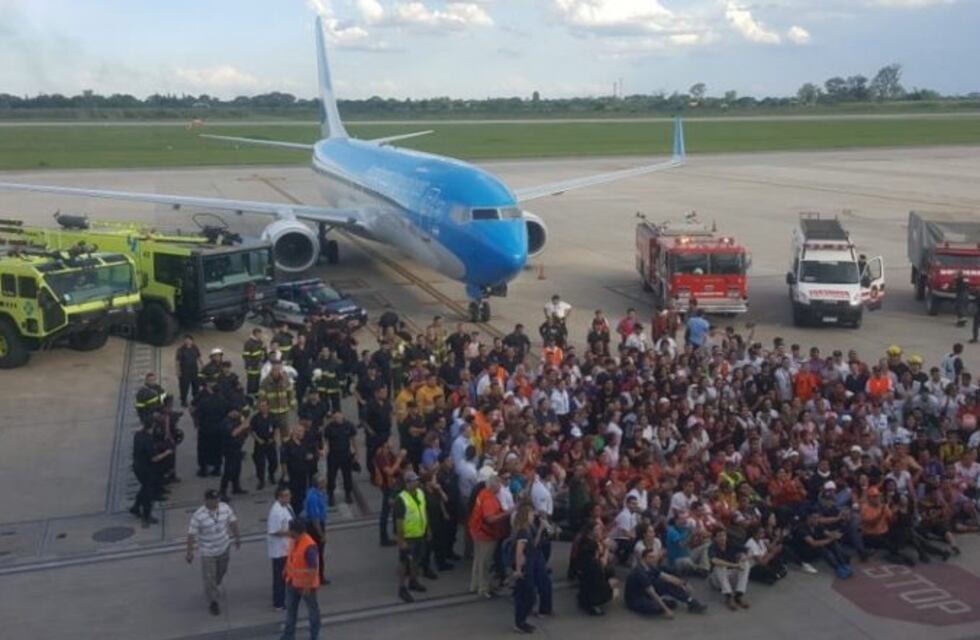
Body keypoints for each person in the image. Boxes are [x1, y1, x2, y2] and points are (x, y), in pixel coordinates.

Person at [186, 489, 241, 616]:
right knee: (209, 577)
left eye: (218, 499)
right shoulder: (198, 515)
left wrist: (237, 537)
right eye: (214, 499)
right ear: (207, 500)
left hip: (223, 547)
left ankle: (213, 586)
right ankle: (213, 602)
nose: (217, 501)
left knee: (221, 571)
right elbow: (191, 535)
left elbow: (233, 522)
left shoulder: (225, 508)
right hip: (207, 551)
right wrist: (189, 552)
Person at [626, 547, 707, 617]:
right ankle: (660, 604)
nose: (654, 559)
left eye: (654, 557)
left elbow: (667, 577)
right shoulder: (640, 572)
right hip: (636, 599)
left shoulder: (650, 566)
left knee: (666, 583)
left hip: (646, 593)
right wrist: (666, 610)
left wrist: (684, 583)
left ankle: (691, 602)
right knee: (655, 608)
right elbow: (652, 592)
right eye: (651, 557)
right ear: (644, 558)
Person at [468, 470, 509, 598]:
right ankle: (484, 588)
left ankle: (474, 585)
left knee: (478, 560)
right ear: (493, 486)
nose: (500, 487)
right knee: (485, 562)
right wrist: (507, 513)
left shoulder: (483, 493)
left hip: (476, 531)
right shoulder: (489, 499)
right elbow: (490, 518)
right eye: (498, 485)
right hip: (486, 534)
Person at [279, 518, 321, 640]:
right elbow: (292, 557)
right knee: (290, 612)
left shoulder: (309, 546)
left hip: (306, 586)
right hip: (292, 582)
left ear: (297, 532)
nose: (289, 532)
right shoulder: (294, 540)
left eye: (290, 530)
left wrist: (307, 586)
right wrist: (286, 569)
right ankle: (288, 636)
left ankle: (314, 636)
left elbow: (313, 568)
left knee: (313, 612)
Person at [395, 471, 432, 602]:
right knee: (404, 562)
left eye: (417, 480)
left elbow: (424, 511)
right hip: (408, 537)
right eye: (415, 480)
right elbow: (399, 522)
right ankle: (402, 587)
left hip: (420, 534)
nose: (417, 482)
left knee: (416, 560)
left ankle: (413, 580)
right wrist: (401, 541)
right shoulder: (401, 499)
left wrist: (428, 529)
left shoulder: (421, 493)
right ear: (408, 483)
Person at [130, 417, 171, 527]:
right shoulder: (148, 440)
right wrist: (167, 453)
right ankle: (146, 516)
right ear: (152, 427)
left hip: (137, 466)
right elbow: (154, 458)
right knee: (148, 493)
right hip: (146, 469)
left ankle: (135, 507)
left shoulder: (138, 435)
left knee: (144, 487)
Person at [708, 529, 751, 611]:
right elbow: (714, 560)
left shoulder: (731, 544)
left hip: (730, 576)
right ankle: (728, 597)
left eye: (724, 535)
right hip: (716, 580)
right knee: (719, 566)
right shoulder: (712, 547)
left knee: (746, 564)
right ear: (715, 538)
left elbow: (748, 550)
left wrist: (744, 557)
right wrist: (735, 565)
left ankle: (739, 595)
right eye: (719, 536)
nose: (722, 538)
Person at [268, 487, 294, 610]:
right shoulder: (276, 512)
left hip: (287, 547)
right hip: (279, 550)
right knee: (279, 577)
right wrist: (291, 533)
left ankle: (287, 597)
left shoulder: (287, 507)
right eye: (286, 495)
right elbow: (274, 531)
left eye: (289, 494)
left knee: (288, 575)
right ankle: (278, 602)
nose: (289, 497)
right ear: (279, 497)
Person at [324, 410, 357, 505]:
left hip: (346, 454)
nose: (337, 419)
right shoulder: (329, 427)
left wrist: (356, 453)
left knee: (347, 475)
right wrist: (325, 451)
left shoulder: (349, 425)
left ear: (343, 416)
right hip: (333, 455)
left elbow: (353, 440)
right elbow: (325, 441)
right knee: (331, 476)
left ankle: (348, 494)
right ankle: (330, 495)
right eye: (335, 418)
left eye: (338, 417)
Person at [303, 475, 330, 585]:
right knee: (318, 553)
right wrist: (321, 534)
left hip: (316, 524)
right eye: (323, 481)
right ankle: (318, 577)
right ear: (318, 484)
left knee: (317, 553)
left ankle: (318, 575)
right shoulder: (313, 497)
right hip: (314, 527)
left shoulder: (317, 493)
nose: (325, 483)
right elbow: (315, 518)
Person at [219, 409, 250, 500]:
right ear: (231, 412)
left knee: (237, 468)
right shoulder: (226, 422)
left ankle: (236, 487)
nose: (238, 414)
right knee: (229, 470)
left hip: (237, 448)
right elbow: (233, 433)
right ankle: (222, 491)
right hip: (229, 449)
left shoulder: (237, 420)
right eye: (236, 412)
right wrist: (243, 426)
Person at [250, 399, 278, 490]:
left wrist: (274, 438)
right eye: (261, 406)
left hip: (270, 442)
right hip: (260, 443)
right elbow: (252, 431)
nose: (263, 408)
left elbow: (276, 428)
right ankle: (261, 480)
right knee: (260, 463)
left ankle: (271, 475)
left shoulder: (273, 416)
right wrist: (258, 440)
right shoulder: (255, 418)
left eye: (264, 405)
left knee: (274, 461)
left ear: (268, 406)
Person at [175, 335, 202, 407]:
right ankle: (183, 401)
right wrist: (178, 371)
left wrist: (202, 366)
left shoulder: (195, 348)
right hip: (184, 371)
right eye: (186, 340)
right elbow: (177, 361)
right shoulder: (180, 349)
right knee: (184, 387)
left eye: (189, 340)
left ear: (192, 341)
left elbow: (199, 358)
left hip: (194, 370)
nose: (187, 341)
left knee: (196, 386)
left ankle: (195, 400)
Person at [243, 327, 267, 400]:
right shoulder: (249, 343)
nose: (261, 335)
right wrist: (249, 365)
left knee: (257, 381)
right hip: (252, 366)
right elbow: (246, 355)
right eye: (259, 334)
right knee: (251, 382)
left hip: (258, 366)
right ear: (255, 334)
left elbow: (262, 353)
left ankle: (255, 395)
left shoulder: (260, 342)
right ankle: (249, 397)